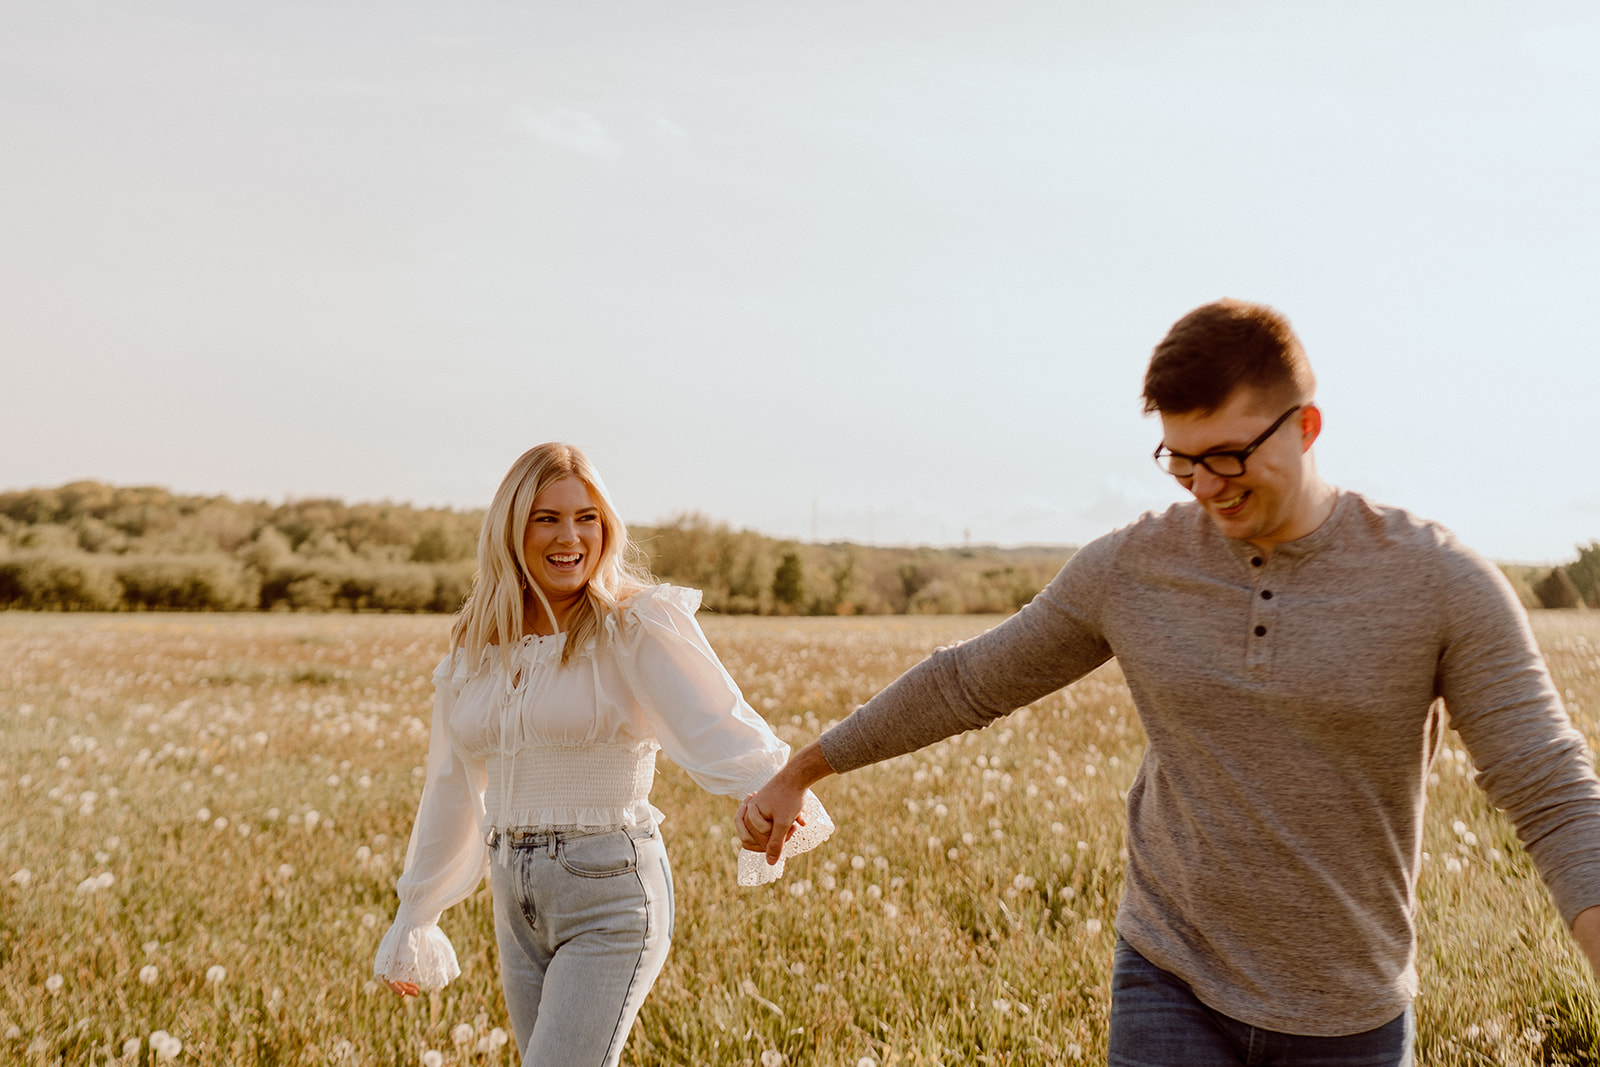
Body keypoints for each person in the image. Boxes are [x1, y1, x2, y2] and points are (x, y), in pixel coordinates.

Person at [737, 299, 1600, 1065]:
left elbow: (1551, 790)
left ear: (1306, 426)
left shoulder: (1439, 581)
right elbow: (970, 680)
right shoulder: (1132, 567)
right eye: (1182, 462)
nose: (1207, 488)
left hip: (1351, 1010)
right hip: (1171, 979)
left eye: (1228, 455)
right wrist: (802, 769)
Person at [375, 442, 830, 1067]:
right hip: (514, 901)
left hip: (611, 894)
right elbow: (452, 785)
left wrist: (773, 786)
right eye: (547, 518)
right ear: (512, 529)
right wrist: (417, 911)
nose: (570, 537)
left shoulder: (633, 624)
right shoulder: (479, 646)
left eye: (586, 517)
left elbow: (716, 718)